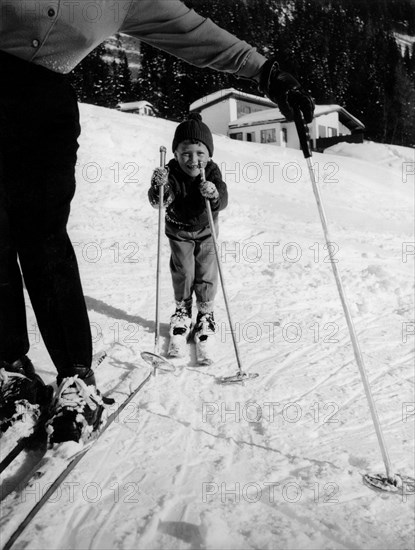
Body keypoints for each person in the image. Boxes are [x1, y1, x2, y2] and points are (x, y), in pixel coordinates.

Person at [0, 0, 314, 444]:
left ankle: (75, 377)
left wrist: (267, 73)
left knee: (44, 236)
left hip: (44, 107)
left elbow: (191, 31)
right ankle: (9, 368)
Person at [148, 113, 226, 355]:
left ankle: (205, 313)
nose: (193, 160)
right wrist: (159, 188)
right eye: (186, 153)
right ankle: (182, 310)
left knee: (206, 271)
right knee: (183, 270)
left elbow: (222, 197)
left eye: (199, 154)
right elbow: (161, 201)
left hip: (206, 230)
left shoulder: (211, 171)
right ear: (175, 154)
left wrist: (213, 194)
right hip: (179, 230)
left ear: (209, 155)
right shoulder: (170, 172)